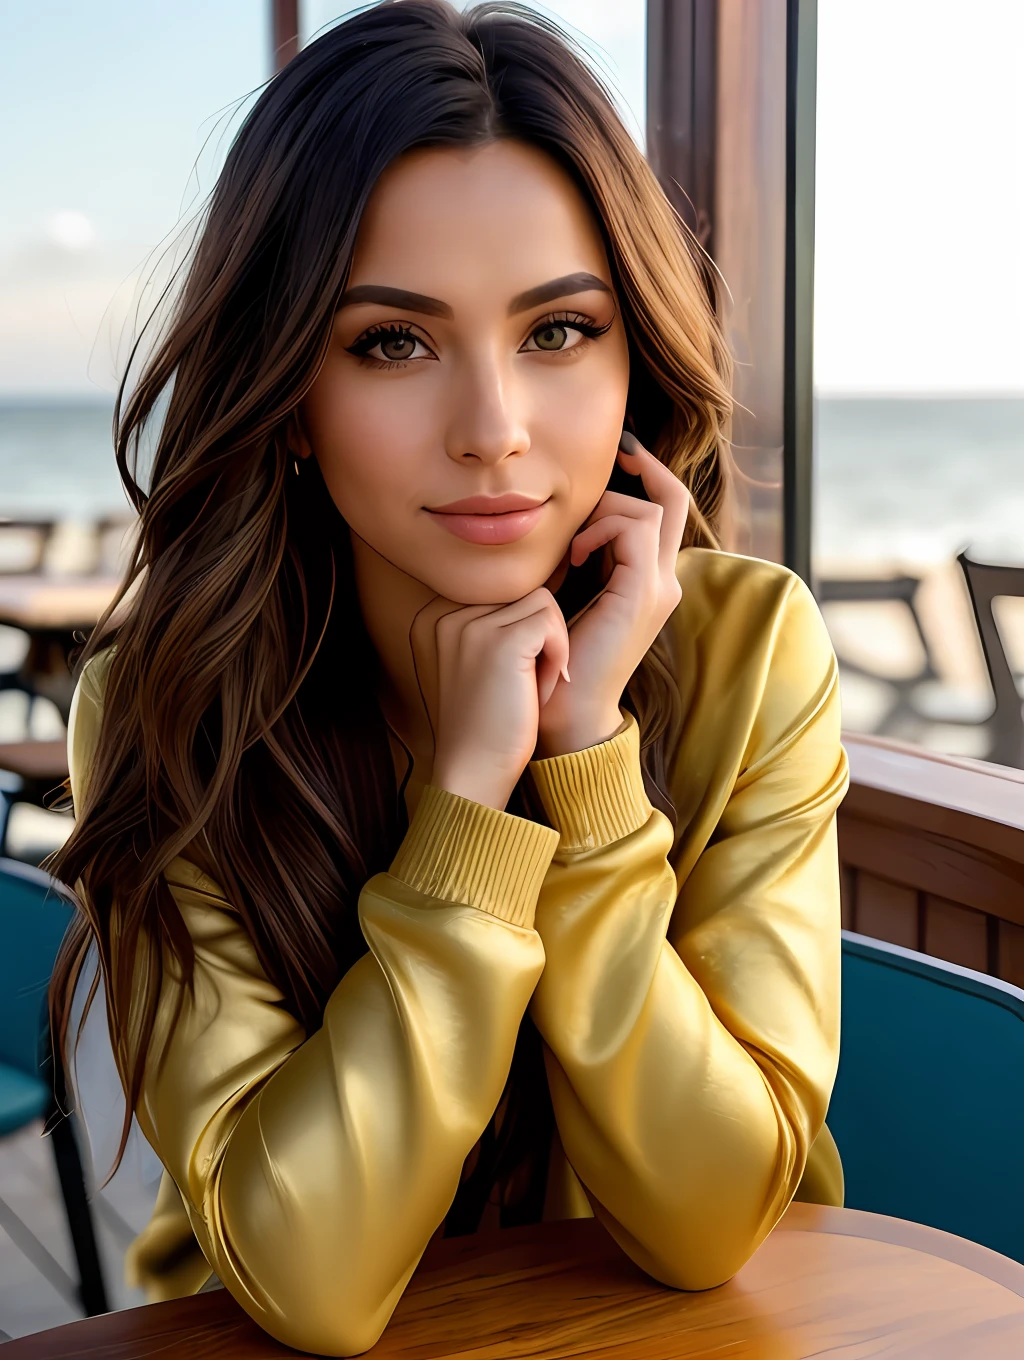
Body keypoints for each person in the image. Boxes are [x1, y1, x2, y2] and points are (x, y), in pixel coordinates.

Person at [48, 2, 849, 1354]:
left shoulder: (749, 650)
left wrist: (588, 759)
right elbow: (312, 1281)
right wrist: (473, 814)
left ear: (631, 355)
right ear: (289, 393)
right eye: (393, 343)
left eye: (558, 332)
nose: (494, 432)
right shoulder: (169, 703)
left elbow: (711, 1223)